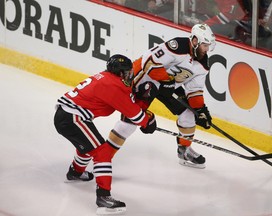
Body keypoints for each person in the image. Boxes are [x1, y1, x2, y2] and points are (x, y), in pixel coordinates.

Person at [54, 54, 157, 215]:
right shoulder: (112, 85)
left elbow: (123, 102)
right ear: (120, 73)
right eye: (128, 72)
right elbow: (134, 115)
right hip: (72, 118)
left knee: (89, 146)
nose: (130, 75)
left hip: (68, 116)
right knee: (102, 152)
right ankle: (103, 198)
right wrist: (148, 122)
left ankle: (75, 172)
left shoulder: (108, 78)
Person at [108, 24, 216, 169]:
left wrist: (201, 110)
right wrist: (166, 81)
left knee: (189, 114)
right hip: (145, 80)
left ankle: (184, 151)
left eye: (208, 46)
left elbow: (194, 89)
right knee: (131, 121)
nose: (207, 49)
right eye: (204, 45)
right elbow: (149, 60)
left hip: (169, 86)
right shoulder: (177, 46)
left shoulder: (203, 64)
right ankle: (105, 155)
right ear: (195, 41)